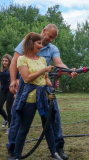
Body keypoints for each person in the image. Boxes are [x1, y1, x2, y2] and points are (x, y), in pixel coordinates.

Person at [7, 24, 78, 160]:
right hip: (26, 89)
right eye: (50, 36)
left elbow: (59, 64)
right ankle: (13, 149)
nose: (51, 40)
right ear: (44, 31)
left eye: (54, 38)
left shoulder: (52, 49)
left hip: (44, 89)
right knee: (18, 120)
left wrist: (70, 71)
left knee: (54, 117)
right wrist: (12, 80)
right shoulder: (27, 42)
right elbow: (14, 61)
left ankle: (57, 149)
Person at [14, 32, 63, 160]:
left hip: (44, 97)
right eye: (39, 43)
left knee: (48, 127)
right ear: (31, 43)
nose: (41, 46)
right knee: (24, 128)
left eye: (41, 44)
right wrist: (43, 70)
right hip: (30, 99)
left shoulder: (41, 60)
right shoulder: (22, 59)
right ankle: (17, 156)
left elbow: (45, 79)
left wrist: (51, 84)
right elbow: (27, 78)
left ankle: (53, 153)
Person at [0, 54, 20, 134]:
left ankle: (10, 127)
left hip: (10, 90)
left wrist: (16, 91)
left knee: (9, 108)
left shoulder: (14, 69)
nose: (4, 62)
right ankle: (6, 118)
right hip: (2, 90)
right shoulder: (1, 70)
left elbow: (17, 80)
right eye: (3, 60)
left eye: (6, 60)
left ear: (10, 61)